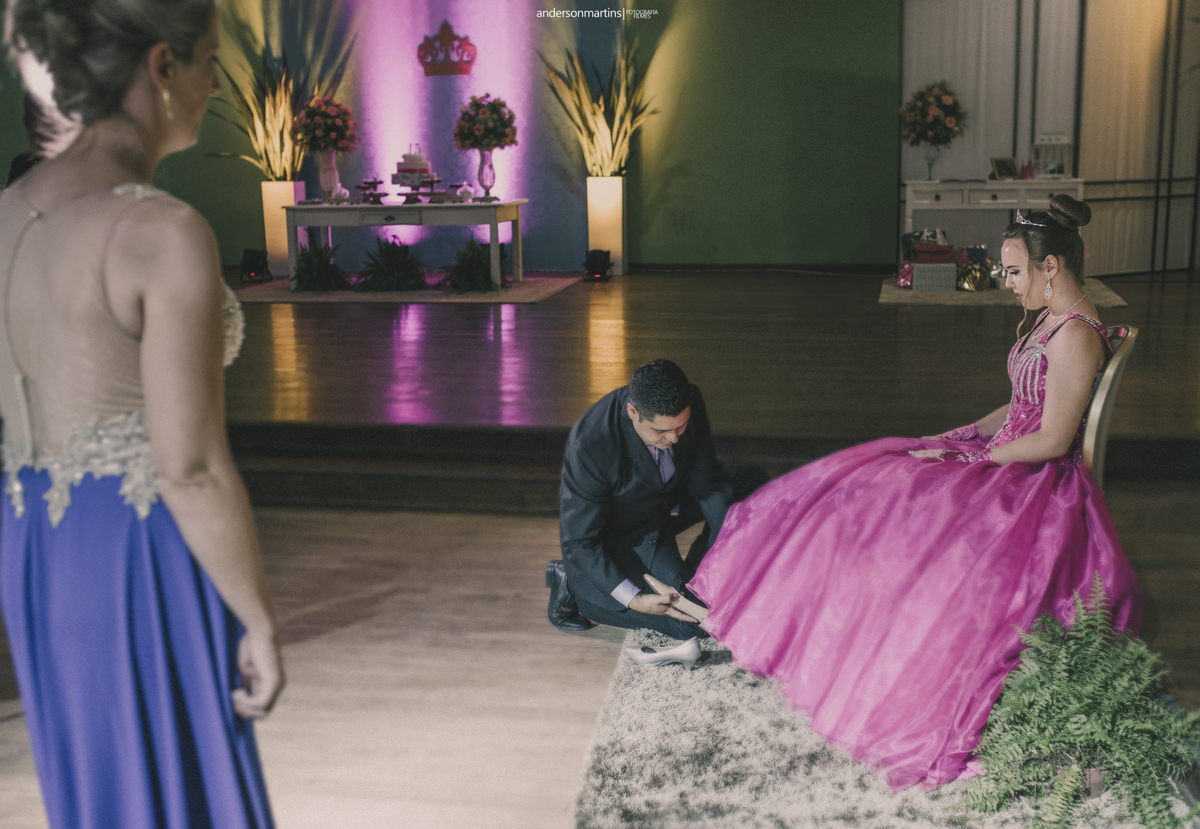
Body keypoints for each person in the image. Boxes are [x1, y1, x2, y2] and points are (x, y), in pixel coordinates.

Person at [687, 195, 1142, 792]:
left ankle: (877, 646)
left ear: (1050, 266)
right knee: (882, 474)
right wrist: (961, 434)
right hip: (1011, 455)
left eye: (1014, 271)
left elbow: (1054, 438)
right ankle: (847, 631)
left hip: (1034, 481)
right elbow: (1022, 405)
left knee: (901, 498)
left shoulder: (1076, 336)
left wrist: (979, 458)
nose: (1007, 283)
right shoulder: (1052, 320)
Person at [1, 1, 282, 826]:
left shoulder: (7, 212)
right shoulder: (161, 230)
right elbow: (188, 467)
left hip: (32, 545)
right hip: (137, 551)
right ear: (162, 67)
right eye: (211, 62)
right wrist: (258, 616)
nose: (216, 85)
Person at [548, 359, 768, 638]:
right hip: (625, 535)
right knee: (692, 622)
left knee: (751, 481)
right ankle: (572, 587)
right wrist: (634, 599)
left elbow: (707, 483)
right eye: (661, 431)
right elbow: (580, 542)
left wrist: (720, 555)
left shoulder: (689, 400)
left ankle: (697, 580)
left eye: (681, 427)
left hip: (669, 501)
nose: (673, 439)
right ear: (633, 412)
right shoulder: (590, 445)